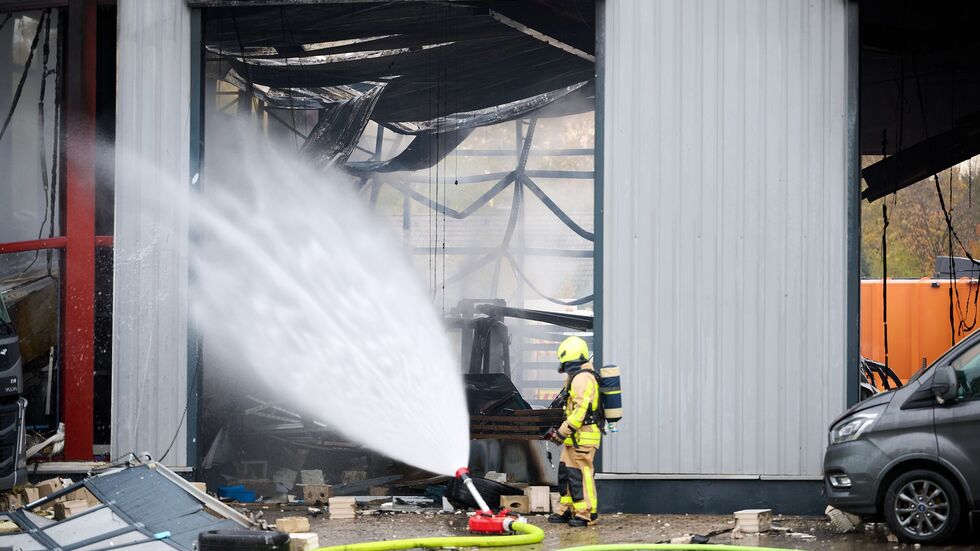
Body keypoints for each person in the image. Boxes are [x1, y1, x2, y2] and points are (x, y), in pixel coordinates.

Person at [544, 336, 600, 527]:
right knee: (566, 474)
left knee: (582, 475)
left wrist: (562, 431)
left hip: (583, 437)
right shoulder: (576, 378)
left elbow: (580, 411)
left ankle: (588, 513)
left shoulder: (583, 379)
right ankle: (567, 509)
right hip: (574, 437)